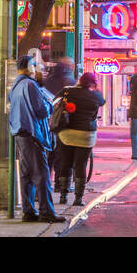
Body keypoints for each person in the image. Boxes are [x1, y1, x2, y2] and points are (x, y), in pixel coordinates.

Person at [9, 54, 61, 222]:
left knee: (26, 175)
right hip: (32, 135)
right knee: (41, 174)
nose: (39, 69)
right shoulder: (30, 85)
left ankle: (29, 211)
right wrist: (50, 104)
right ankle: (46, 212)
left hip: (21, 133)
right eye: (36, 66)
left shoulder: (16, 85)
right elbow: (41, 111)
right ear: (30, 68)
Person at [56, 72, 106, 206]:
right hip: (86, 134)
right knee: (81, 165)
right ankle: (78, 199)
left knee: (66, 163)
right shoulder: (95, 96)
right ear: (93, 83)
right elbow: (102, 101)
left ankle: (63, 196)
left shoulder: (67, 91)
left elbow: (54, 102)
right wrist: (97, 88)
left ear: (79, 80)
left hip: (67, 133)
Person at [45, 58, 78, 195]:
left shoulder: (48, 80)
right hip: (62, 124)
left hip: (48, 122)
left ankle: (46, 184)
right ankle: (60, 184)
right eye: (71, 66)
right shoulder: (68, 81)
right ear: (68, 67)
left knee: (49, 156)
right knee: (62, 157)